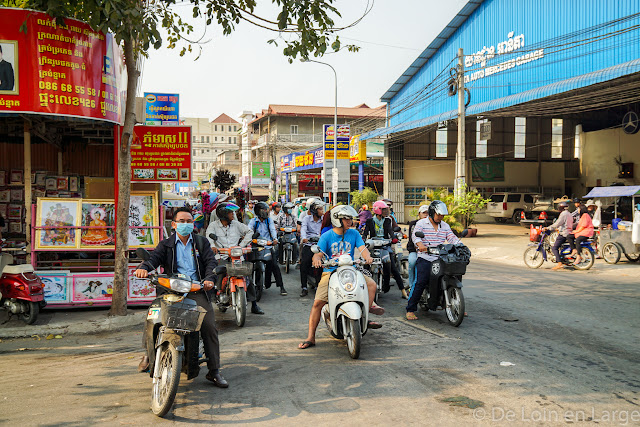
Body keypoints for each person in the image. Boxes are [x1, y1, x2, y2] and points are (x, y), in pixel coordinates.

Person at [134, 207, 228, 388]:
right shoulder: (166, 244)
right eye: (182, 221)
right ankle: (148, 353)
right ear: (174, 224)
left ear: (193, 224)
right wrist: (144, 267)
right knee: (153, 318)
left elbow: (210, 262)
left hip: (196, 290)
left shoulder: (201, 243)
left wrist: (209, 279)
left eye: (189, 221)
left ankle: (214, 370)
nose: (186, 224)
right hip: (171, 290)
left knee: (209, 327)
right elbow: (154, 259)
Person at [298, 205, 384, 349]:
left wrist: (368, 257)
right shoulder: (327, 236)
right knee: (317, 303)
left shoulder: (354, 234)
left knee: (372, 285)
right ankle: (311, 337)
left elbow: (363, 250)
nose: (350, 221)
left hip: (351, 269)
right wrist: (317, 259)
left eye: (351, 218)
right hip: (331, 271)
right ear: (337, 219)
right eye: (346, 218)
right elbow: (318, 253)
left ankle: (364, 316)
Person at [406, 200, 461, 320]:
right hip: (426, 257)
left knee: (454, 275)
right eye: (438, 214)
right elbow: (415, 236)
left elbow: (451, 237)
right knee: (420, 281)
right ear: (432, 213)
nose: (440, 217)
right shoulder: (421, 223)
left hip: (440, 257)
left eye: (442, 215)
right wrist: (420, 245)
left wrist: (460, 245)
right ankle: (410, 309)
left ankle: (457, 305)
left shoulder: (445, 225)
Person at [206, 202, 264, 315]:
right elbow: (209, 236)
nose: (233, 214)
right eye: (230, 213)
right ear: (223, 214)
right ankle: (217, 294)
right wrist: (213, 246)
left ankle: (254, 305)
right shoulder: (213, 225)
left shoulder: (237, 224)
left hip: (237, 256)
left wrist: (242, 246)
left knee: (248, 278)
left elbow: (249, 232)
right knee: (217, 274)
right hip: (222, 255)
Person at [363, 200, 407, 298]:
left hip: (385, 245)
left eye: (386, 209)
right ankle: (363, 287)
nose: (386, 211)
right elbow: (366, 232)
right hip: (372, 245)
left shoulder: (388, 220)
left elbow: (390, 231)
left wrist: (394, 238)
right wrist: (363, 239)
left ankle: (402, 290)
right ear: (377, 210)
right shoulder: (370, 221)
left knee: (391, 266)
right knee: (365, 266)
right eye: (384, 209)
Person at [248, 202, 287, 295]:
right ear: (259, 211)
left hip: (268, 246)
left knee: (274, 265)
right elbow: (248, 231)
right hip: (256, 246)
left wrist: (274, 239)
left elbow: (273, 230)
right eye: (265, 210)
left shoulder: (268, 221)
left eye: (267, 210)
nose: (267, 212)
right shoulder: (253, 221)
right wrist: (250, 238)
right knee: (249, 266)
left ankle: (281, 286)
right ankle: (248, 288)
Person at [299, 200, 324, 297]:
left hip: (320, 245)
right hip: (309, 244)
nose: (322, 211)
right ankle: (304, 287)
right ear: (314, 211)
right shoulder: (306, 218)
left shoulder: (323, 219)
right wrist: (304, 238)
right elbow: (303, 229)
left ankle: (320, 285)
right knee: (304, 263)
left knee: (324, 264)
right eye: (320, 209)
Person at [543, 201, 573, 270]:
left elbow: (557, 223)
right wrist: (558, 228)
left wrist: (548, 228)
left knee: (554, 248)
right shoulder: (569, 213)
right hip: (568, 231)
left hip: (564, 233)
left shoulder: (563, 214)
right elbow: (565, 224)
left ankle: (559, 264)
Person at [407, 204, 429, 295]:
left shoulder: (433, 224)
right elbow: (413, 238)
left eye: (428, 213)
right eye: (424, 213)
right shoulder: (414, 224)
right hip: (415, 250)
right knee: (412, 262)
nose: (426, 215)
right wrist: (419, 246)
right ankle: (411, 286)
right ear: (419, 214)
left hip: (429, 251)